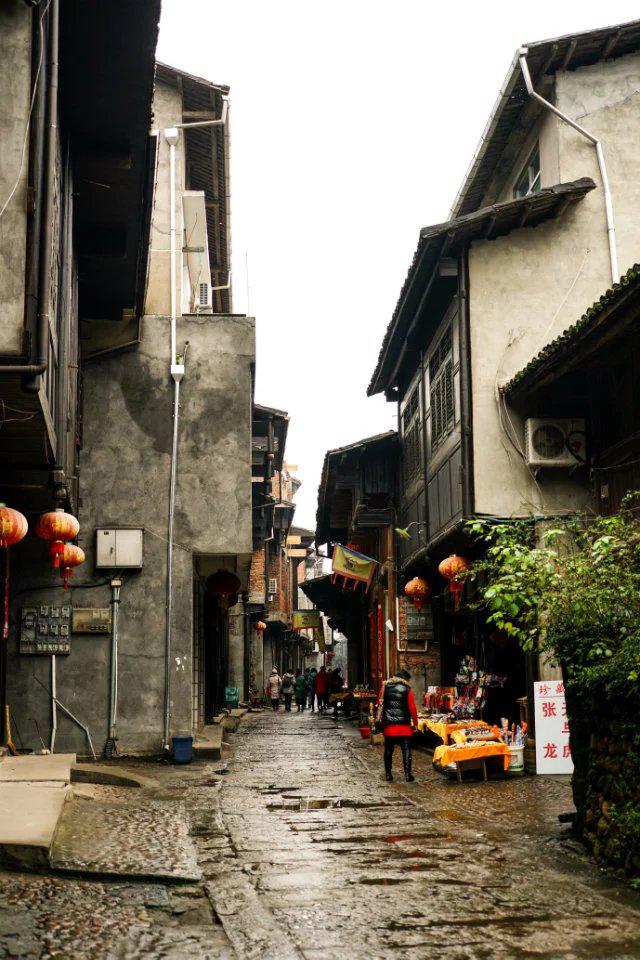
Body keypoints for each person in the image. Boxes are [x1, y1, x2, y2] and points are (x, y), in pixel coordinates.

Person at [377, 668, 418, 782]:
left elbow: (379, 703)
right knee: (406, 750)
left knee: (388, 750)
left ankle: (388, 775)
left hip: (389, 727)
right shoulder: (407, 689)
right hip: (404, 727)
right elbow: (412, 708)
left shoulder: (385, 687)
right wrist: (415, 723)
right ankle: (408, 775)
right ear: (405, 679)